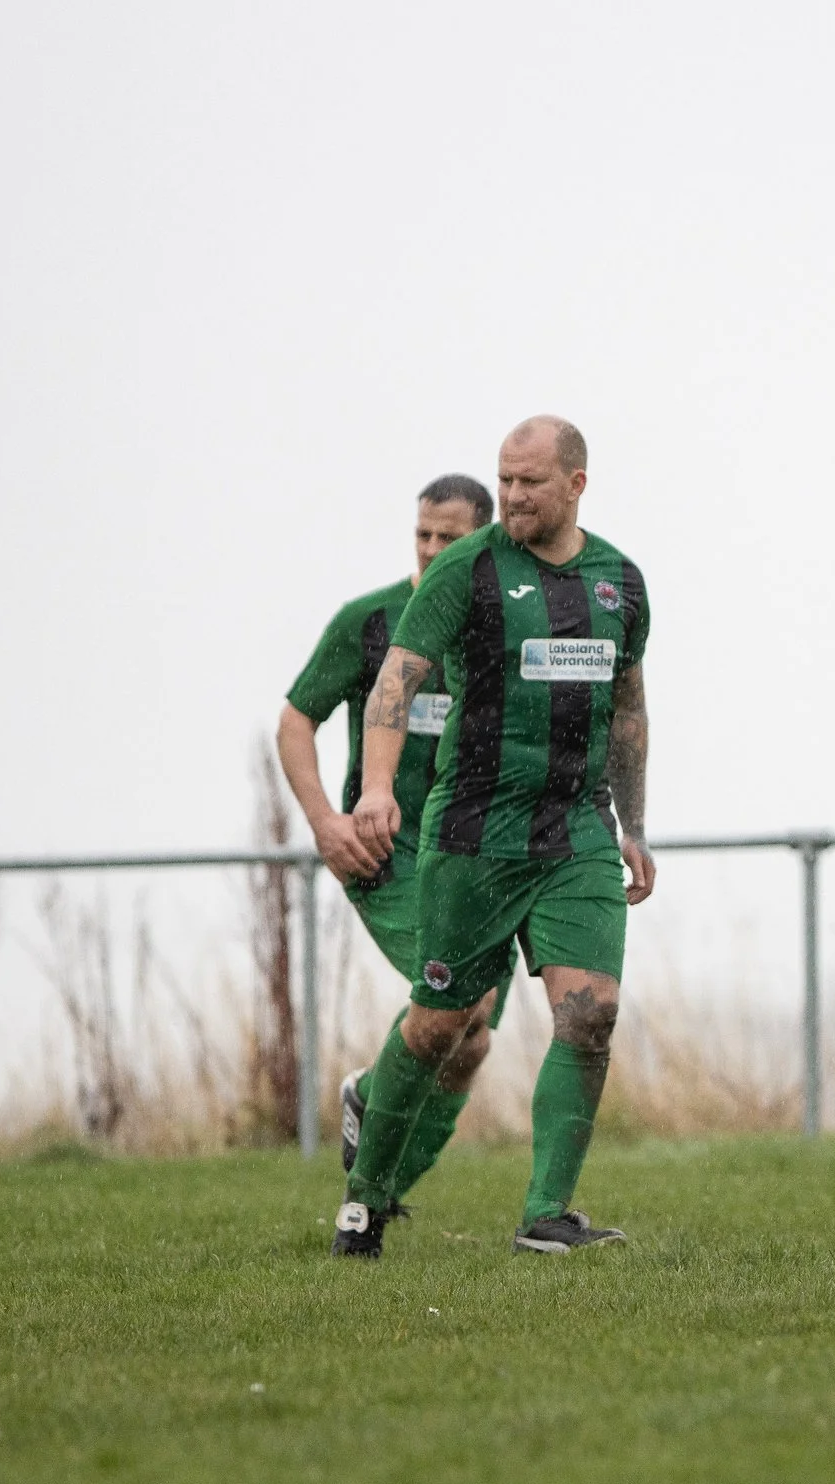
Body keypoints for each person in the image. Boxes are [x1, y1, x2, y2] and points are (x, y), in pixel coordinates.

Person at [331, 416, 655, 1258]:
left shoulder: (619, 581)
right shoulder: (465, 571)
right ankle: (365, 1199)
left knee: (591, 1015)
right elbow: (395, 683)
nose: (511, 496)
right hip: (473, 836)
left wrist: (636, 826)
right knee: (443, 1025)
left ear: (576, 484)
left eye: (530, 483)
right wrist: (373, 791)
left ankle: (547, 1215)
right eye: (504, 480)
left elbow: (628, 708)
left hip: (577, 835)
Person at [278, 473, 514, 1223]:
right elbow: (293, 722)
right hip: (386, 854)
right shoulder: (372, 621)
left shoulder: (503, 624)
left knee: (470, 1040)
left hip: (479, 855)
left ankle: (382, 1168)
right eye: (423, 535)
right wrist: (325, 823)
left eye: (451, 538)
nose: (434, 550)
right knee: (459, 1000)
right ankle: (370, 1165)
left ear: (485, 539)